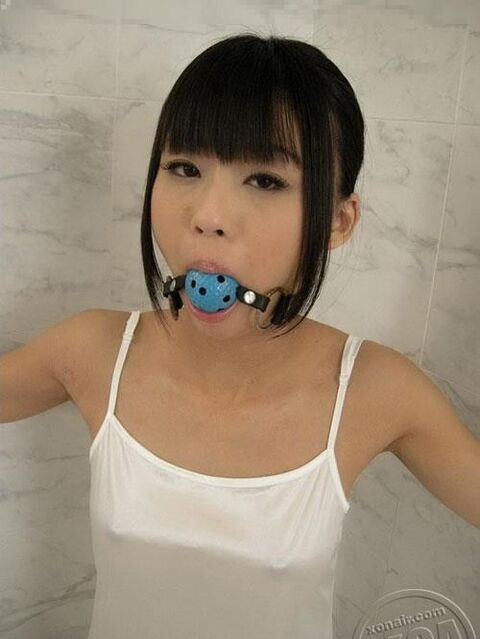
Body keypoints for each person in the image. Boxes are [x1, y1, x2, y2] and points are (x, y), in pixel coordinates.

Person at [2, 31, 478, 639]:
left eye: (265, 180)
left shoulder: (377, 390)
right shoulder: (91, 351)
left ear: (337, 221)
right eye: (184, 168)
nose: (207, 216)